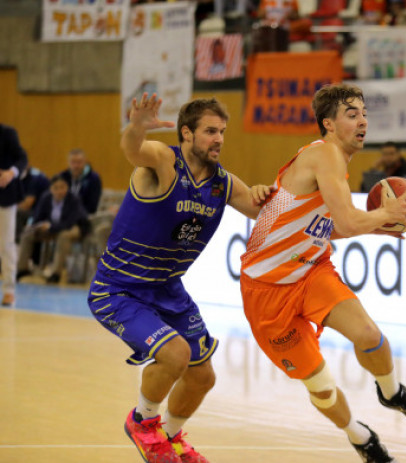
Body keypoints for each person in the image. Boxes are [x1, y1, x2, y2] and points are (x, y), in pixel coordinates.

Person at [239, 83, 406, 463]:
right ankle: (359, 436)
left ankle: (392, 392)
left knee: (369, 335)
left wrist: (378, 226)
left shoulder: (334, 160)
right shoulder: (324, 154)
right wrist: (387, 214)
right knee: (322, 387)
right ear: (328, 124)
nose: (363, 120)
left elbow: (326, 226)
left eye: (364, 113)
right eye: (352, 114)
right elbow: (347, 223)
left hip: (311, 272)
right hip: (265, 291)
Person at [87, 93, 270, 463]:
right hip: (119, 289)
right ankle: (142, 423)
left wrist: (268, 195)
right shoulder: (163, 163)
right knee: (175, 355)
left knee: (202, 377)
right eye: (209, 131)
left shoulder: (223, 183)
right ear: (186, 133)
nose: (218, 138)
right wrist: (137, 126)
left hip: (168, 289)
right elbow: (133, 149)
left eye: (222, 131)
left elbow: (261, 209)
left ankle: (168, 438)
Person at [16, 174, 89, 284]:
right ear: (51, 189)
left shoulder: (74, 199)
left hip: (73, 227)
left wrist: (51, 227)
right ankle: (22, 269)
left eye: (62, 187)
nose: (60, 191)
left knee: (64, 236)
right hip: (52, 228)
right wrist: (39, 226)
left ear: (67, 187)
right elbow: (37, 218)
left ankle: (56, 273)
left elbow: (69, 223)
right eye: (56, 188)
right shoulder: (46, 198)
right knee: (28, 234)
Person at [0, 123, 28, 306]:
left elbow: (22, 158)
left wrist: (11, 172)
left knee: (6, 243)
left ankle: (9, 289)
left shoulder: (8, 133)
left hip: (5, 195)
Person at [58, 148, 102, 215]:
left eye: (79, 162)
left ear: (85, 162)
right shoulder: (62, 177)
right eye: (73, 162)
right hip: (62, 214)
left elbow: (92, 207)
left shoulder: (94, 179)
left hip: (83, 216)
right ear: (68, 162)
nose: (76, 166)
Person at [16, 165, 50, 242]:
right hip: (32, 209)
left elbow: (27, 205)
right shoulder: (19, 178)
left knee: (17, 212)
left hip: (40, 212)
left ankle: (17, 241)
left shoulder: (36, 178)